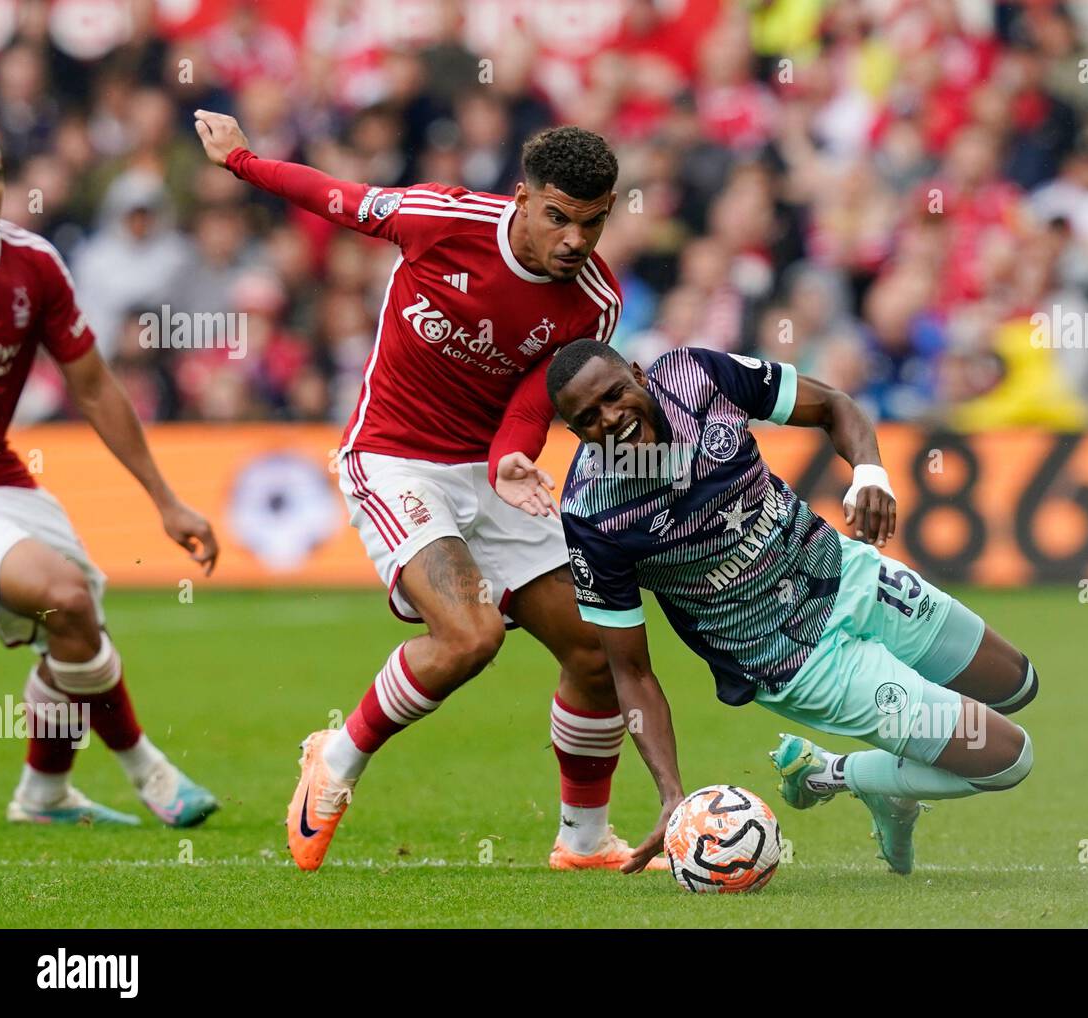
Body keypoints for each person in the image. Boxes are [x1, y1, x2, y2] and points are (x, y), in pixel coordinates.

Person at [193, 110, 665, 872]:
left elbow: (534, 401)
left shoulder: (594, 302)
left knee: (593, 649)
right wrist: (243, 161)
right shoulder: (440, 219)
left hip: (490, 472)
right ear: (521, 198)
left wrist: (514, 456)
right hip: (394, 458)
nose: (575, 240)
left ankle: (583, 842)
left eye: (593, 223)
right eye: (558, 219)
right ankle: (337, 759)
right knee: (471, 636)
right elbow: (336, 197)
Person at [545, 340, 1038, 874]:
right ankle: (833, 773)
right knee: (1010, 759)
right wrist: (671, 794)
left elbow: (831, 405)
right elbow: (631, 670)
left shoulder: (696, 374)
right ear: (574, 433)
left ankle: (893, 790)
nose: (612, 419)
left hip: (848, 574)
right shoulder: (592, 514)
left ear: (639, 374)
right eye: (589, 418)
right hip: (795, 659)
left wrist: (870, 473)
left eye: (616, 394)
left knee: (1016, 685)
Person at [0, 127, 219, 827]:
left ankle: (44, 794)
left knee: (78, 618)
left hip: (0, 477)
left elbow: (91, 385)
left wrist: (165, 500)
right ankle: (147, 769)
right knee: (62, 595)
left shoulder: (33, 265)